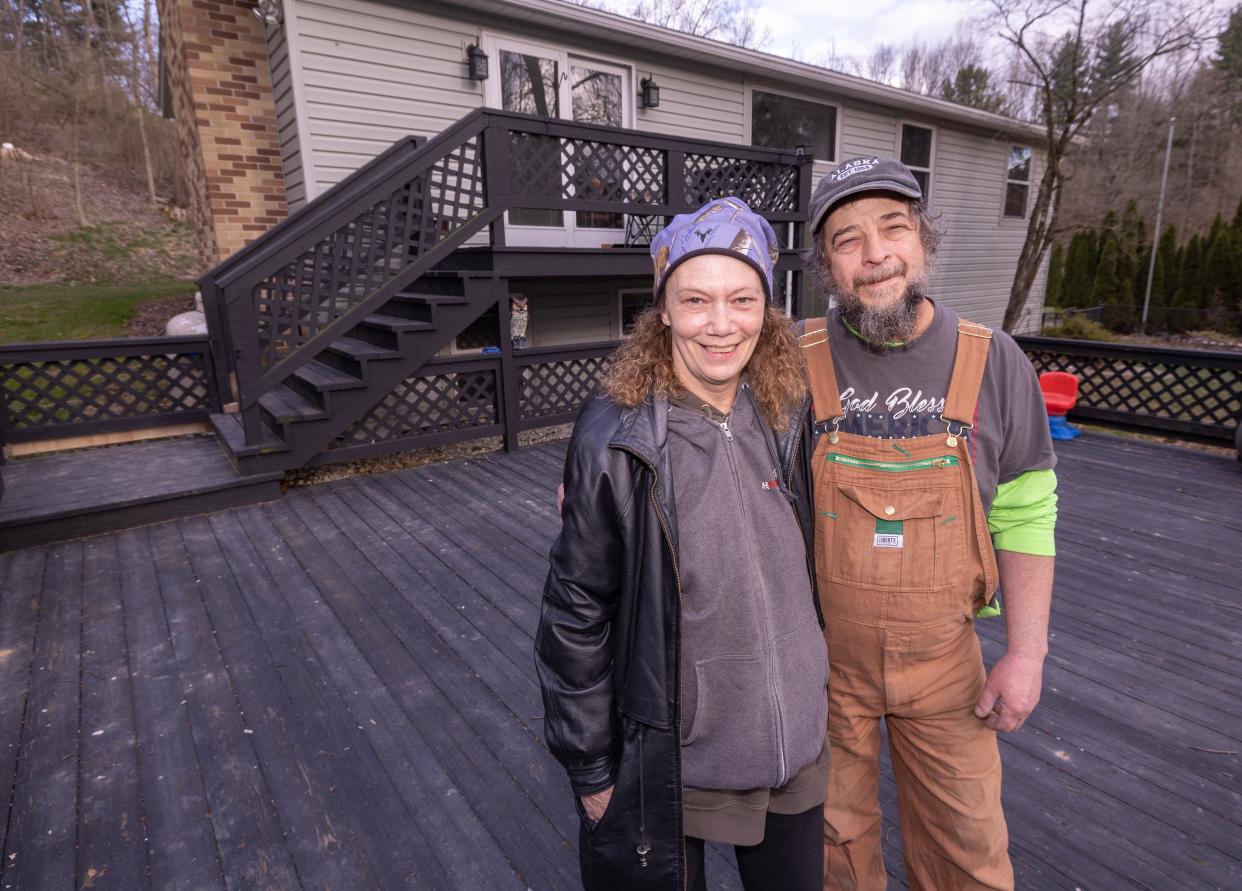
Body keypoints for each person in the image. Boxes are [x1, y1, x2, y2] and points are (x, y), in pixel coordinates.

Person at [535, 198, 830, 891]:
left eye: (742, 298)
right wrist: (592, 769)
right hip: (678, 764)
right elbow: (574, 613)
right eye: (695, 299)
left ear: (768, 307)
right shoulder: (618, 435)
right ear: (662, 309)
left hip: (797, 755)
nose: (721, 324)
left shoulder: (788, 409)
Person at [797, 156, 1058, 891]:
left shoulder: (996, 360)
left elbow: (1027, 511)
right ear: (827, 264)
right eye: (847, 239)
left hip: (950, 668)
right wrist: (608, 466)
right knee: (833, 848)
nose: (874, 252)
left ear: (924, 241)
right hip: (824, 666)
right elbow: (694, 392)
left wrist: (1027, 654)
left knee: (966, 852)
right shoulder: (789, 358)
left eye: (892, 227)